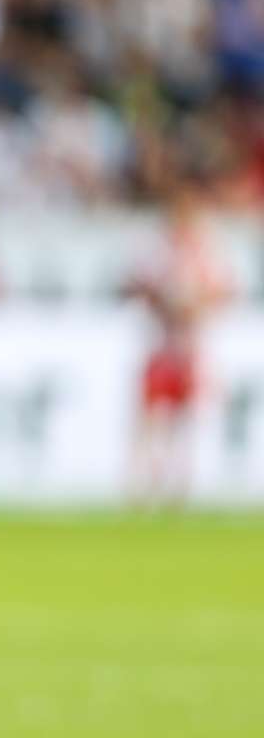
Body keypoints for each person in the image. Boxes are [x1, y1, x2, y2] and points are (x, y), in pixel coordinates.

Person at [127, 178, 236, 506]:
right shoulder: (160, 249)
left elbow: (222, 292)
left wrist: (195, 308)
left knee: (183, 418)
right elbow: (140, 286)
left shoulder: (205, 251)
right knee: (151, 415)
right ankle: (145, 479)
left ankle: (178, 482)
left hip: (188, 348)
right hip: (162, 345)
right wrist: (164, 305)